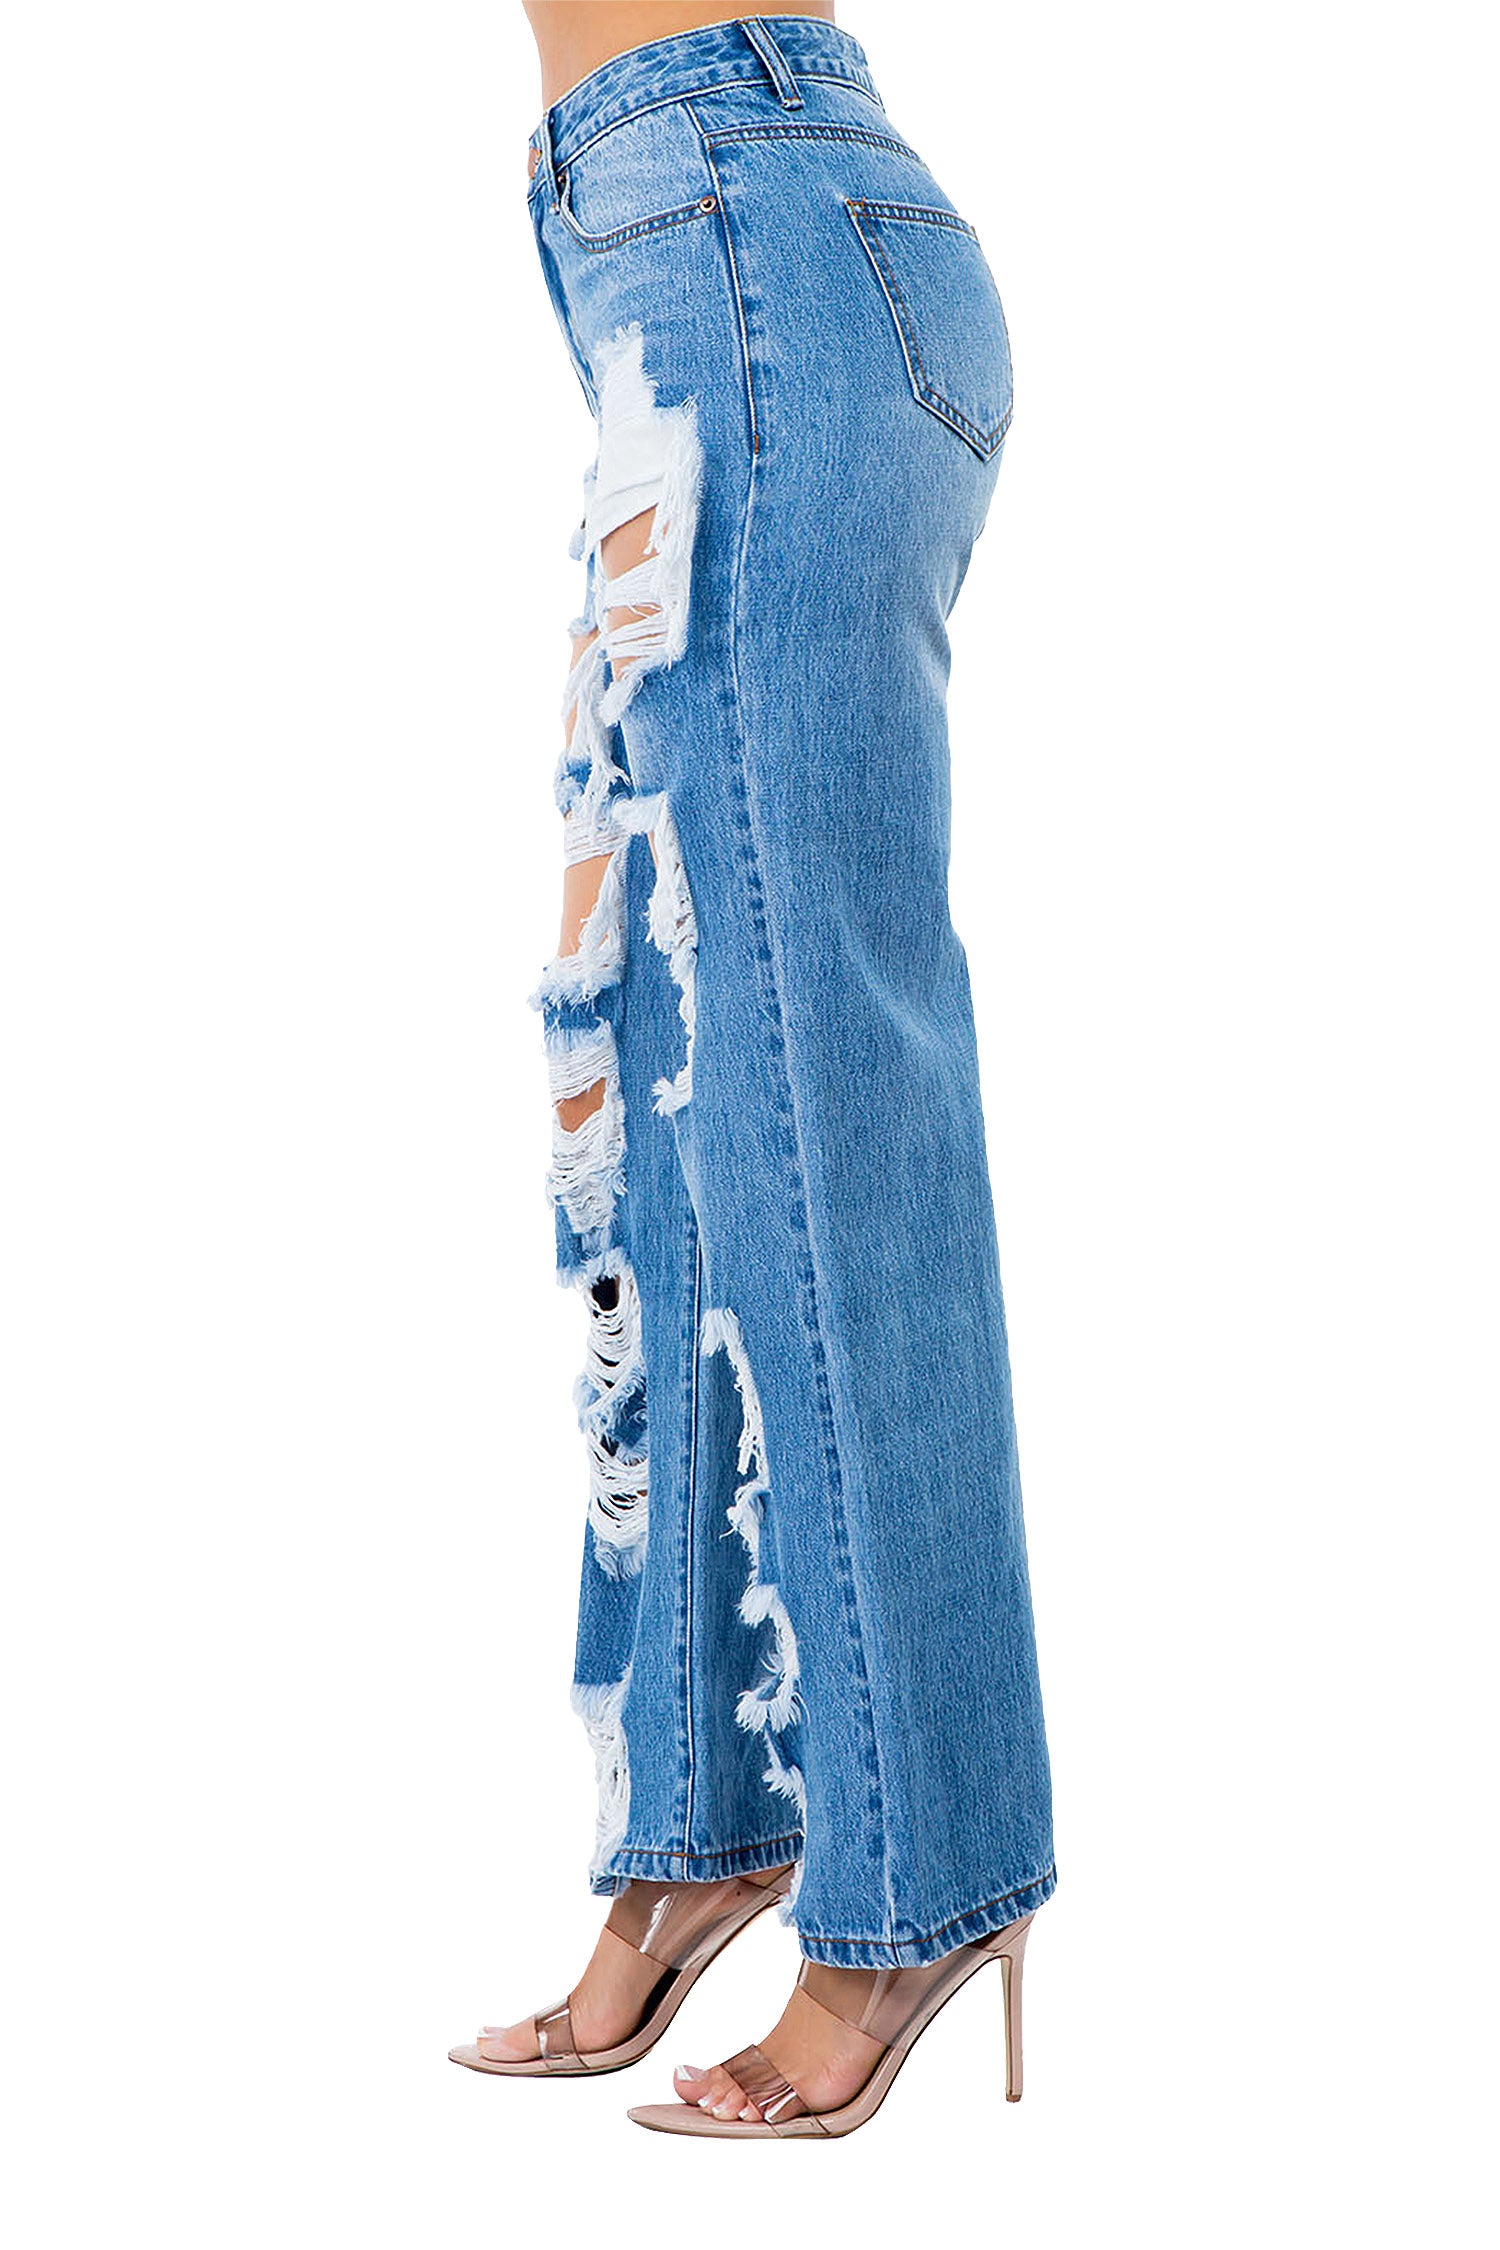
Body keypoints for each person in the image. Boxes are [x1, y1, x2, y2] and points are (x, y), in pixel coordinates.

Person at [449, 3, 1055, 2138]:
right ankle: (703, 1814)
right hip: (690, 257)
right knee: (666, 1096)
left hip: (748, 240)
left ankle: (920, 1874)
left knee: (812, 1099)